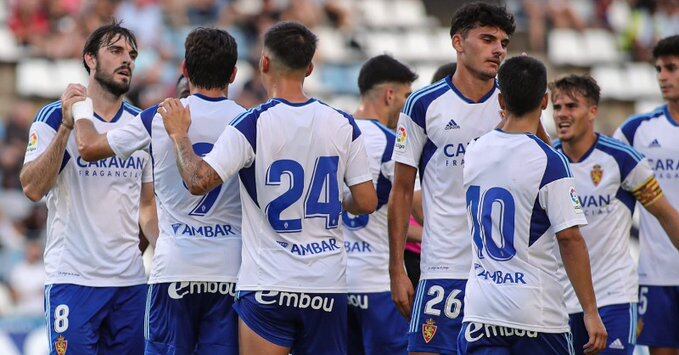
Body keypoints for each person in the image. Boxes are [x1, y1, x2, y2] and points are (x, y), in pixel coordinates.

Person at [158, 21, 377, 355]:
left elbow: (198, 181)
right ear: (310, 68)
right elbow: (366, 200)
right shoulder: (342, 122)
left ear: (264, 64)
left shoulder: (252, 122)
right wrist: (336, 202)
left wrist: (179, 135)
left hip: (269, 284)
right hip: (327, 281)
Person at [388, 3, 550, 353]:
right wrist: (397, 269)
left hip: (501, 276)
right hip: (443, 268)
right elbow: (401, 191)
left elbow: (549, 180)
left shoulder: (514, 105)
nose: (498, 50)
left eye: (504, 43)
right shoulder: (423, 105)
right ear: (458, 43)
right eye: (488, 39)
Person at [73, 27, 245, 354]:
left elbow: (88, 147)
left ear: (184, 70)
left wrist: (80, 108)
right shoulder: (249, 122)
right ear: (234, 74)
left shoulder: (159, 116)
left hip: (175, 270)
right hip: (231, 272)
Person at [19, 22, 155, 354]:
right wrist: (67, 127)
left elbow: (148, 207)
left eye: (132, 54)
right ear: (89, 59)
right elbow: (33, 188)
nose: (127, 60)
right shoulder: (53, 117)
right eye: (116, 51)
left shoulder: (140, 126)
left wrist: (163, 255)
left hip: (129, 283)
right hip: (73, 279)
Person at [457, 55, 607, 354]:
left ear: (501, 99)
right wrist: (590, 311)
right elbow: (570, 238)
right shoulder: (550, 161)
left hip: (480, 309)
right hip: (535, 314)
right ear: (545, 102)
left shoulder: (474, 151)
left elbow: (510, 144)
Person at [551, 74, 679, 354]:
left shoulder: (622, 159)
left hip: (613, 298)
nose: (562, 114)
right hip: (558, 302)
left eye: (571, 106)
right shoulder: (547, 160)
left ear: (593, 111)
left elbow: (666, 215)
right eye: (557, 107)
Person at [342, 54, 417, 355]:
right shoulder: (393, 143)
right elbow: (422, 211)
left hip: (336, 282)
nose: (406, 104)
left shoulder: (334, 133)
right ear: (390, 95)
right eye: (406, 96)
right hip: (378, 284)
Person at [614, 35, 679, 355]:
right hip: (656, 272)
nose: (662, 77)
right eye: (658, 69)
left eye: (671, 68)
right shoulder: (636, 130)